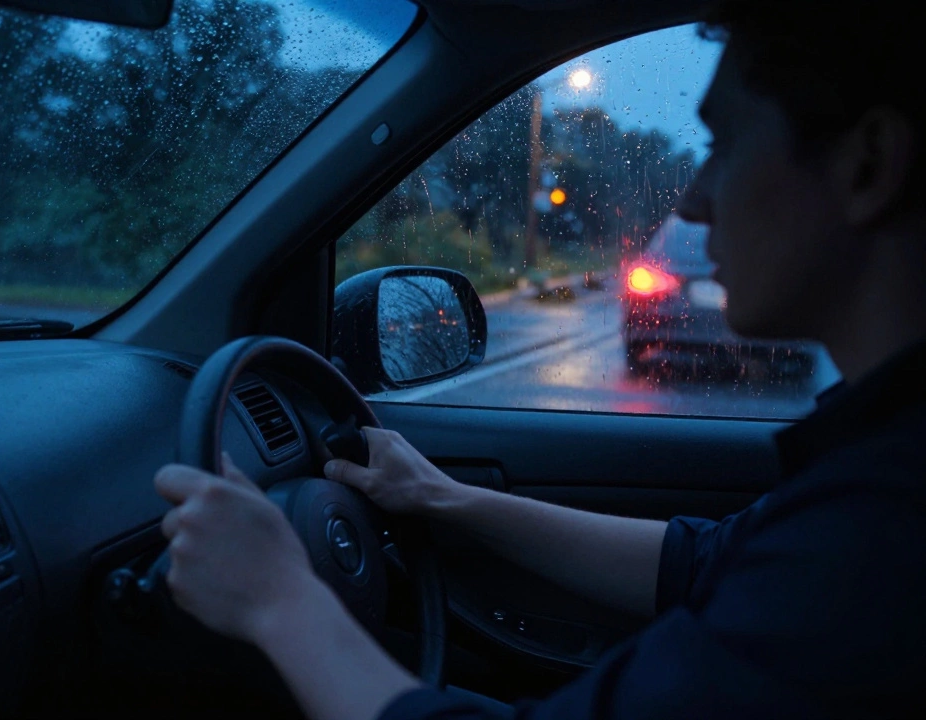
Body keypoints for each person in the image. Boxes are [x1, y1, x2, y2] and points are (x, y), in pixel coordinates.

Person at [152, 1, 926, 718]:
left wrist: (279, 600)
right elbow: (705, 562)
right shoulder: (878, 468)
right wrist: (447, 498)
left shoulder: (881, 539)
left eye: (722, 146)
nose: (690, 204)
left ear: (867, 166)